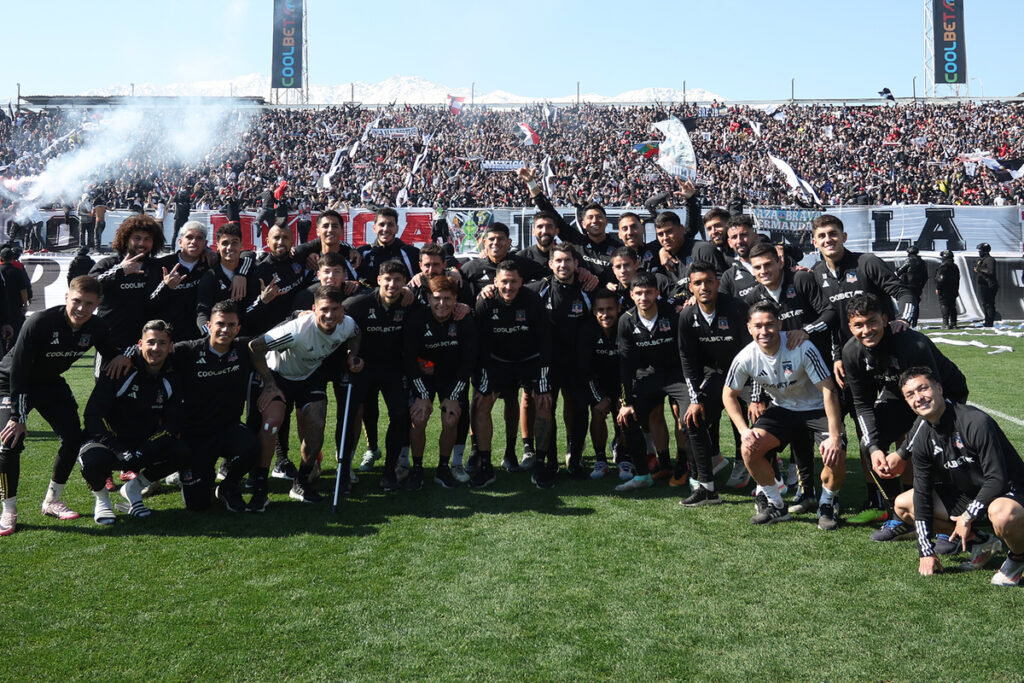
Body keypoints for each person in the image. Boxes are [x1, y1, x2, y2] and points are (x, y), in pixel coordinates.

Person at [0, 276, 130, 536]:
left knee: (73, 438)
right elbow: (20, 372)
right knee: (9, 443)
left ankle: (52, 500)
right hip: (11, 382)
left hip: (50, 384)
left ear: (97, 305)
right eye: (77, 301)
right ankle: (8, 509)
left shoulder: (96, 326)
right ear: (67, 298)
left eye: (89, 304)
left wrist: (122, 357)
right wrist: (18, 415)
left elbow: (110, 349)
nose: (81, 309)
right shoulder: (39, 322)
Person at [842, 293, 969, 541]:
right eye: (859, 325)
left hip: (942, 395)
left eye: (872, 322)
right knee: (870, 444)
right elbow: (862, 404)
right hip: (898, 393)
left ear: (885, 319)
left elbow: (931, 404)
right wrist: (875, 447)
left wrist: (902, 453)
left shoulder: (913, 344)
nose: (866, 330)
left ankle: (947, 520)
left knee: (934, 445)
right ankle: (899, 515)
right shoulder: (851, 352)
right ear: (850, 326)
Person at [887, 367, 1024, 586]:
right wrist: (926, 551)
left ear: (939, 389)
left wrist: (968, 516)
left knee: (1002, 514)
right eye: (910, 395)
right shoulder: (922, 436)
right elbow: (922, 493)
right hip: (970, 495)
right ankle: (982, 541)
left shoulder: (975, 421)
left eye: (923, 389)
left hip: (1009, 492)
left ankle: (1017, 558)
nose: (919, 398)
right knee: (904, 504)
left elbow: (997, 479)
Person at [723, 300, 847, 528]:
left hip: (817, 407)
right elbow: (728, 395)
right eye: (758, 326)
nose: (764, 331)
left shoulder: (801, 347)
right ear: (749, 327)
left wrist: (835, 436)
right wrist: (743, 431)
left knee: (835, 453)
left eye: (770, 324)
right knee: (749, 449)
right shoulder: (745, 357)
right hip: (783, 409)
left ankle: (827, 503)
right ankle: (776, 504)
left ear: (780, 324)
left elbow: (828, 390)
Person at [247, 285, 361, 510]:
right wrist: (269, 383)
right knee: (271, 425)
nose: (329, 315)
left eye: (335, 309)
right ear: (314, 309)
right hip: (280, 375)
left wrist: (352, 355)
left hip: (310, 376)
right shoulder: (296, 330)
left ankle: (301, 482)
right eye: (324, 309)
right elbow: (254, 347)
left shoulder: (347, 324)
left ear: (342, 311)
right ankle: (260, 487)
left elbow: (356, 334)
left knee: (317, 427)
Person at [78, 320, 186, 524]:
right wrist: (119, 449)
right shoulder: (119, 369)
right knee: (92, 460)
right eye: (151, 342)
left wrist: (144, 450)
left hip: (143, 444)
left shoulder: (172, 377)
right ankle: (102, 501)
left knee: (183, 451)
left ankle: (134, 489)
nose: (155, 348)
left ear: (170, 347)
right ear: (140, 344)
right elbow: (93, 415)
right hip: (110, 443)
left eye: (162, 343)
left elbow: (172, 424)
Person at [675, 262, 758, 501]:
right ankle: (707, 487)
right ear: (690, 287)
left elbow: (753, 351)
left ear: (717, 283)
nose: (704, 287)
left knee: (759, 418)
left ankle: (767, 482)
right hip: (716, 376)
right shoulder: (687, 316)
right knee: (692, 420)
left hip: (747, 376)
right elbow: (687, 359)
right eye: (698, 283)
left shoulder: (736, 308)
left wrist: (755, 397)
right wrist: (694, 399)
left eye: (708, 281)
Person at [172, 300, 259, 513]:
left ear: (238, 329)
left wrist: (298, 316)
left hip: (227, 428)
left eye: (231, 325)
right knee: (198, 506)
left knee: (253, 446)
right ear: (209, 326)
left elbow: (277, 337)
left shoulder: (243, 348)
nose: (225, 330)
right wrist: (126, 356)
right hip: (195, 434)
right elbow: (154, 350)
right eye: (220, 324)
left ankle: (229, 486)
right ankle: (198, 479)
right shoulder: (187, 351)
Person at [472, 260, 553, 488]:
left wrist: (543, 380)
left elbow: (545, 341)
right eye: (504, 282)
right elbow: (481, 346)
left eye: (513, 282)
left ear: (521, 282)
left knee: (544, 401)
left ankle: (540, 463)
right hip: (498, 362)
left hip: (530, 360)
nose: (508, 287)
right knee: (482, 402)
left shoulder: (532, 300)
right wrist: (486, 379)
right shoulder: (485, 303)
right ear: (495, 281)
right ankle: (486, 465)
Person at [343, 260, 418, 491]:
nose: (392, 284)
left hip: (393, 369)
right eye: (387, 279)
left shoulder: (409, 303)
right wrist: (349, 356)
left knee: (399, 415)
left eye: (397, 280)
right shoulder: (358, 303)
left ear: (405, 282)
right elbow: (332, 316)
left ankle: (389, 472)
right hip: (362, 367)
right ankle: (344, 470)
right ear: (378, 280)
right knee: (351, 415)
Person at [526, 243, 593, 478]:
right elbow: (509, 290)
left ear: (576, 263)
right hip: (548, 364)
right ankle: (549, 460)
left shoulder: (588, 290)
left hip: (578, 363)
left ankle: (575, 461)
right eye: (559, 261)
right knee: (546, 409)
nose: (563, 265)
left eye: (568, 260)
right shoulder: (539, 289)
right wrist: (490, 289)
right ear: (550, 264)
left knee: (579, 410)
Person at [404, 275, 478, 488]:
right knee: (419, 417)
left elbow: (468, 362)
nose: (442, 304)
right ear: (428, 298)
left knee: (451, 418)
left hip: (452, 378)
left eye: (447, 298)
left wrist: (454, 396)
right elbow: (408, 359)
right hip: (424, 377)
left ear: (456, 299)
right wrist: (422, 396)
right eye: (437, 298)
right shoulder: (418, 318)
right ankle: (416, 468)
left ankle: (443, 468)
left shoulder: (464, 320)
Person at [89, 214, 165, 369]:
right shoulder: (108, 264)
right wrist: (119, 271)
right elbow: (88, 287)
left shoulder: (158, 267)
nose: (141, 243)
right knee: (106, 390)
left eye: (147, 239)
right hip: (109, 345)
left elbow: (187, 257)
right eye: (137, 238)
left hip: (144, 346)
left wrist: (208, 253)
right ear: (126, 239)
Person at [579, 288, 623, 478]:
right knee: (597, 411)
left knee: (625, 413)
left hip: (621, 384)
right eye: (601, 310)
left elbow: (631, 367)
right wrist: (599, 398)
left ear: (618, 309)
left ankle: (624, 457)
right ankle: (600, 460)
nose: (605, 314)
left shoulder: (625, 326)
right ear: (594, 311)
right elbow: (585, 370)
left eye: (610, 309)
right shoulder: (587, 331)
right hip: (598, 384)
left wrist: (624, 397)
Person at [149, 221, 211, 342]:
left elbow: (247, 255)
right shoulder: (161, 265)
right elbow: (149, 303)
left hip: (199, 337)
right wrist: (165, 287)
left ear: (205, 244)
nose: (194, 241)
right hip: (167, 338)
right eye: (189, 237)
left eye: (199, 238)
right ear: (180, 242)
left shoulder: (210, 263)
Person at [356, 208, 420, 284]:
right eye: (381, 224)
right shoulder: (361, 253)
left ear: (397, 229)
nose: (385, 229)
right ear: (374, 228)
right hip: (369, 295)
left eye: (390, 225)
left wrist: (421, 275)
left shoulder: (412, 253)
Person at [718, 215, 760, 300]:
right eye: (734, 237)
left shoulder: (776, 262)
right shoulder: (728, 277)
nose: (739, 241)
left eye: (744, 235)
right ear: (729, 243)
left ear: (755, 236)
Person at [896, 246, 927, 324]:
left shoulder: (909, 260)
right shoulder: (922, 262)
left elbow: (900, 270)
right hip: (918, 285)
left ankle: (907, 320)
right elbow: (925, 276)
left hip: (908, 285)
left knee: (908, 302)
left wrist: (897, 271)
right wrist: (922, 284)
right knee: (916, 303)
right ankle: (914, 322)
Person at [934, 250, 960, 329]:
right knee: (952, 306)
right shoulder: (955, 266)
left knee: (944, 305)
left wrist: (938, 287)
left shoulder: (943, 266)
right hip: (953, 289)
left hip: (944, 289)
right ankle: (954, 323)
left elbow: (941, 278)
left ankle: (946, 323)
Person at [974, 242, 998, 327]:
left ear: (985, 251)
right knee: (985, 304)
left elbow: (990, 271)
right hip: (983, 284)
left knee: (989, 304)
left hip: (988, 285)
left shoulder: (990, 260)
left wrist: (979, 269)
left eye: (980, 251)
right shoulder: (982, 260)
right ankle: (987, 320)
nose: (979, 252)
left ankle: (989, 322)